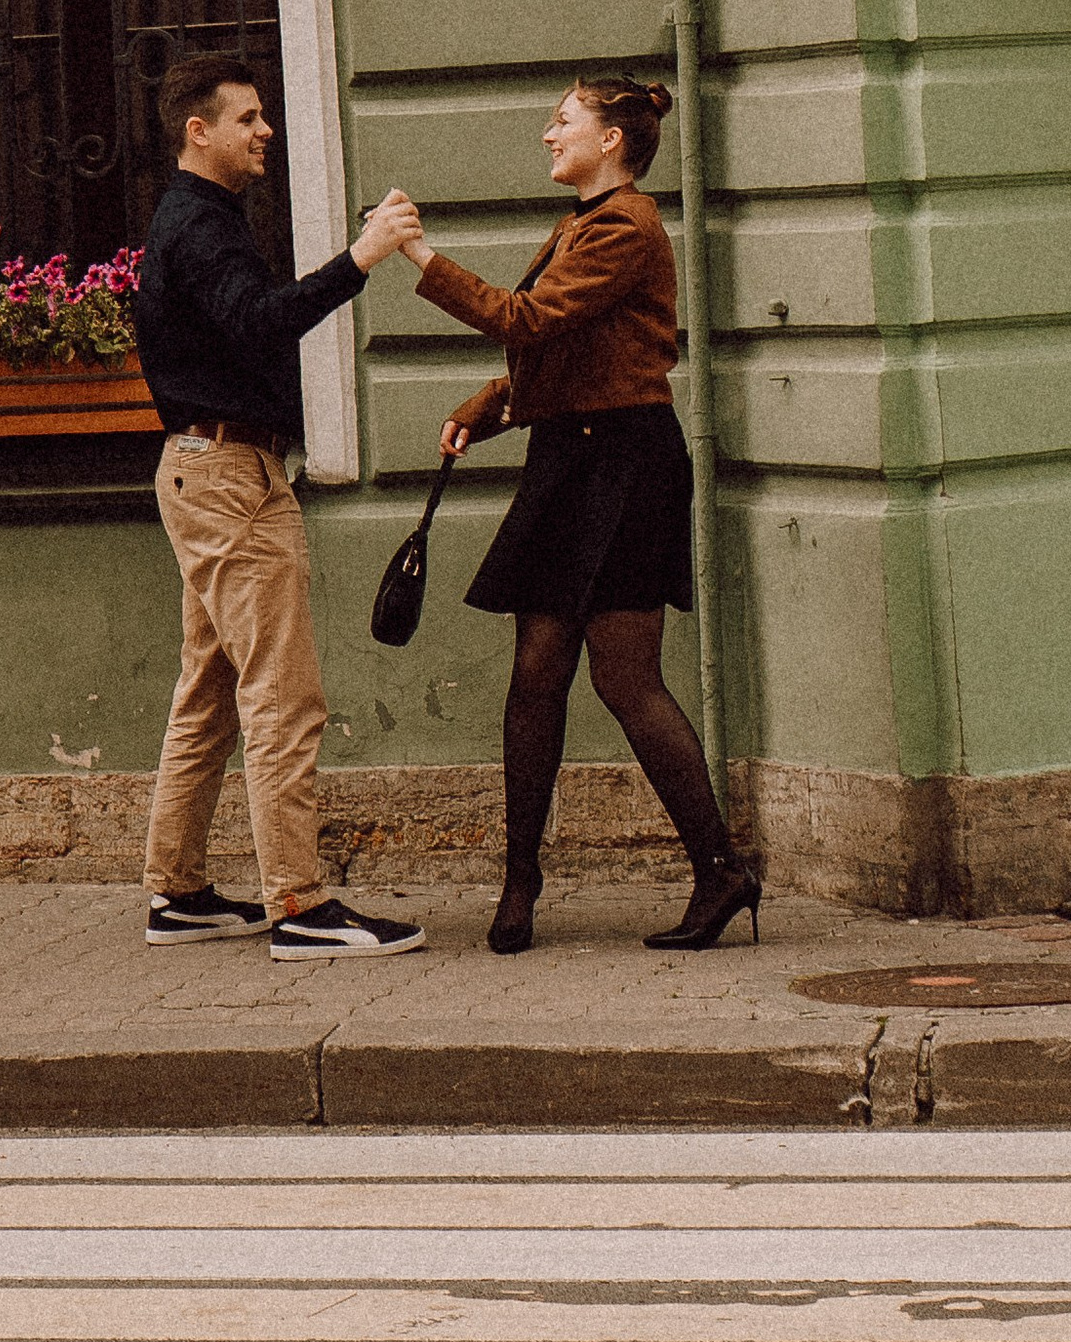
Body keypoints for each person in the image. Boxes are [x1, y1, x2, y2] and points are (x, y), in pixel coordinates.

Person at [372, 71, 760, 956]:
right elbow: (575, 352)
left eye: (564, 121)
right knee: (537, 670)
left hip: (624, 464)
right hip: (572, 458)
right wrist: (489, 406)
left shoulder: (625, 226)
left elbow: (529, 319)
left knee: (625, 679)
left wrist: (418, 256)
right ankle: (521, 882)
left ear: (611, 140)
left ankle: (719, 871)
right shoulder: (585, 223)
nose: (549, 135)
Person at [134, 52, 425, 961]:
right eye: (248, 118)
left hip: (205, 470)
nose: (266, 131)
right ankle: (299, 904)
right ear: (199, 131)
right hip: (231, 479)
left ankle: (177, 892)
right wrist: (362, 258)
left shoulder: (197, 217)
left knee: (212, 692)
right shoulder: (201, 226)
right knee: (282, 696)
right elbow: (263, 320)